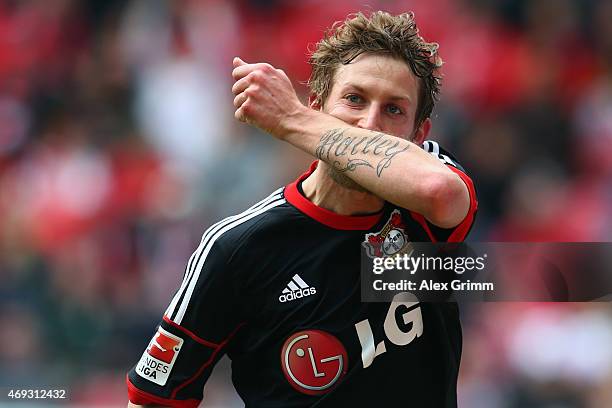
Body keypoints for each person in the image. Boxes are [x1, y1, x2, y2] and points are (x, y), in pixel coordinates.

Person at [127, 11, 477, 407]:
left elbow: (438, 191)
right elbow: (153, 400)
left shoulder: (427, 193)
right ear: (318, 106)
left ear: (419, 135)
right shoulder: (238, 248)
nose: (368, 124)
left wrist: (290, 118)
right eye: (354, 99)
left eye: (394, 110)